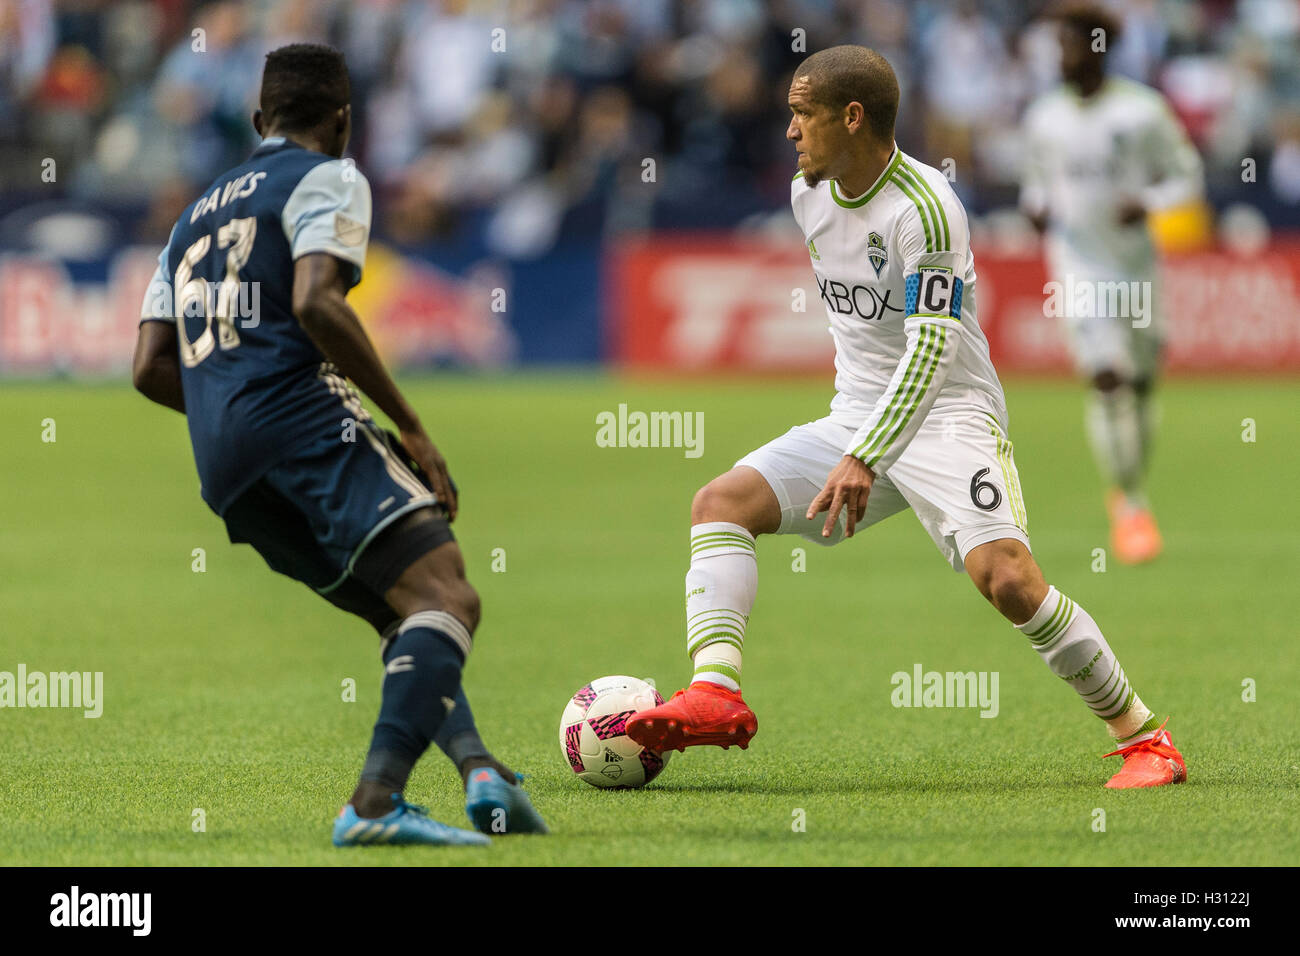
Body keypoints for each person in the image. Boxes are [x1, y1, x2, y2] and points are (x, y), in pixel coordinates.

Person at [626, 44, 1186, 789]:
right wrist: (858, 439)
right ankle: (716, 693)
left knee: (1010, 580)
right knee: (720, 504)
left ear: (851, 117)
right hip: (857, 413)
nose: (790, 131)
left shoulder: (927, 209)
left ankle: (1147, 739)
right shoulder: (808, 193)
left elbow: (933, 345)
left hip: (948, 415)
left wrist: (867, 455)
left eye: (803, 114)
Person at [132, 43, 547, 846]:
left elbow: (149, 366)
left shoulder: (191, 216)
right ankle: (373, 806)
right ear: (345, 121)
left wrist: (230, 406)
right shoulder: (331, 177)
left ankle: (479, 770)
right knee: (450, 595)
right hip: (299, 420)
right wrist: (414, 427)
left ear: (259, 120)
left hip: (224, 467)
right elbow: (318, 301)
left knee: (407, 612)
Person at [1020, 3, 1203, 563]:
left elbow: (1186, 177)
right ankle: (1129, 507)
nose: (1061, 55)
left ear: (1098, 47)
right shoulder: (1044, 118)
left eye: (1070, 44)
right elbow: (1034, 185)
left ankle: (1128, 486)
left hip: (1135, 267)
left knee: (1142, 382)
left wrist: (1147, 203)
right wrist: (1035, 209)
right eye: (1057, 44)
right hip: (1077, 268)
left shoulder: (1143, 112)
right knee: (1108, 377)